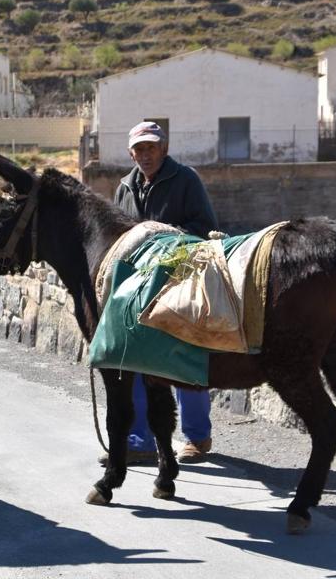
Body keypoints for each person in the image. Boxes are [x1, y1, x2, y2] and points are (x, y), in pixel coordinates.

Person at [113, 121, 219, 465]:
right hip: (138, 288)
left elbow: (203, 228)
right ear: (131, 153)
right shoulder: (124, 189)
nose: (145, 155)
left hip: (179, 280)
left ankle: (195, 437)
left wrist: (162, 242)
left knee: (183, 357)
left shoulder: (185, 179)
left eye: (151, 148)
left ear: (164, 148)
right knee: (139, 362)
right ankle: (140, 439)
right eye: (139, 149)